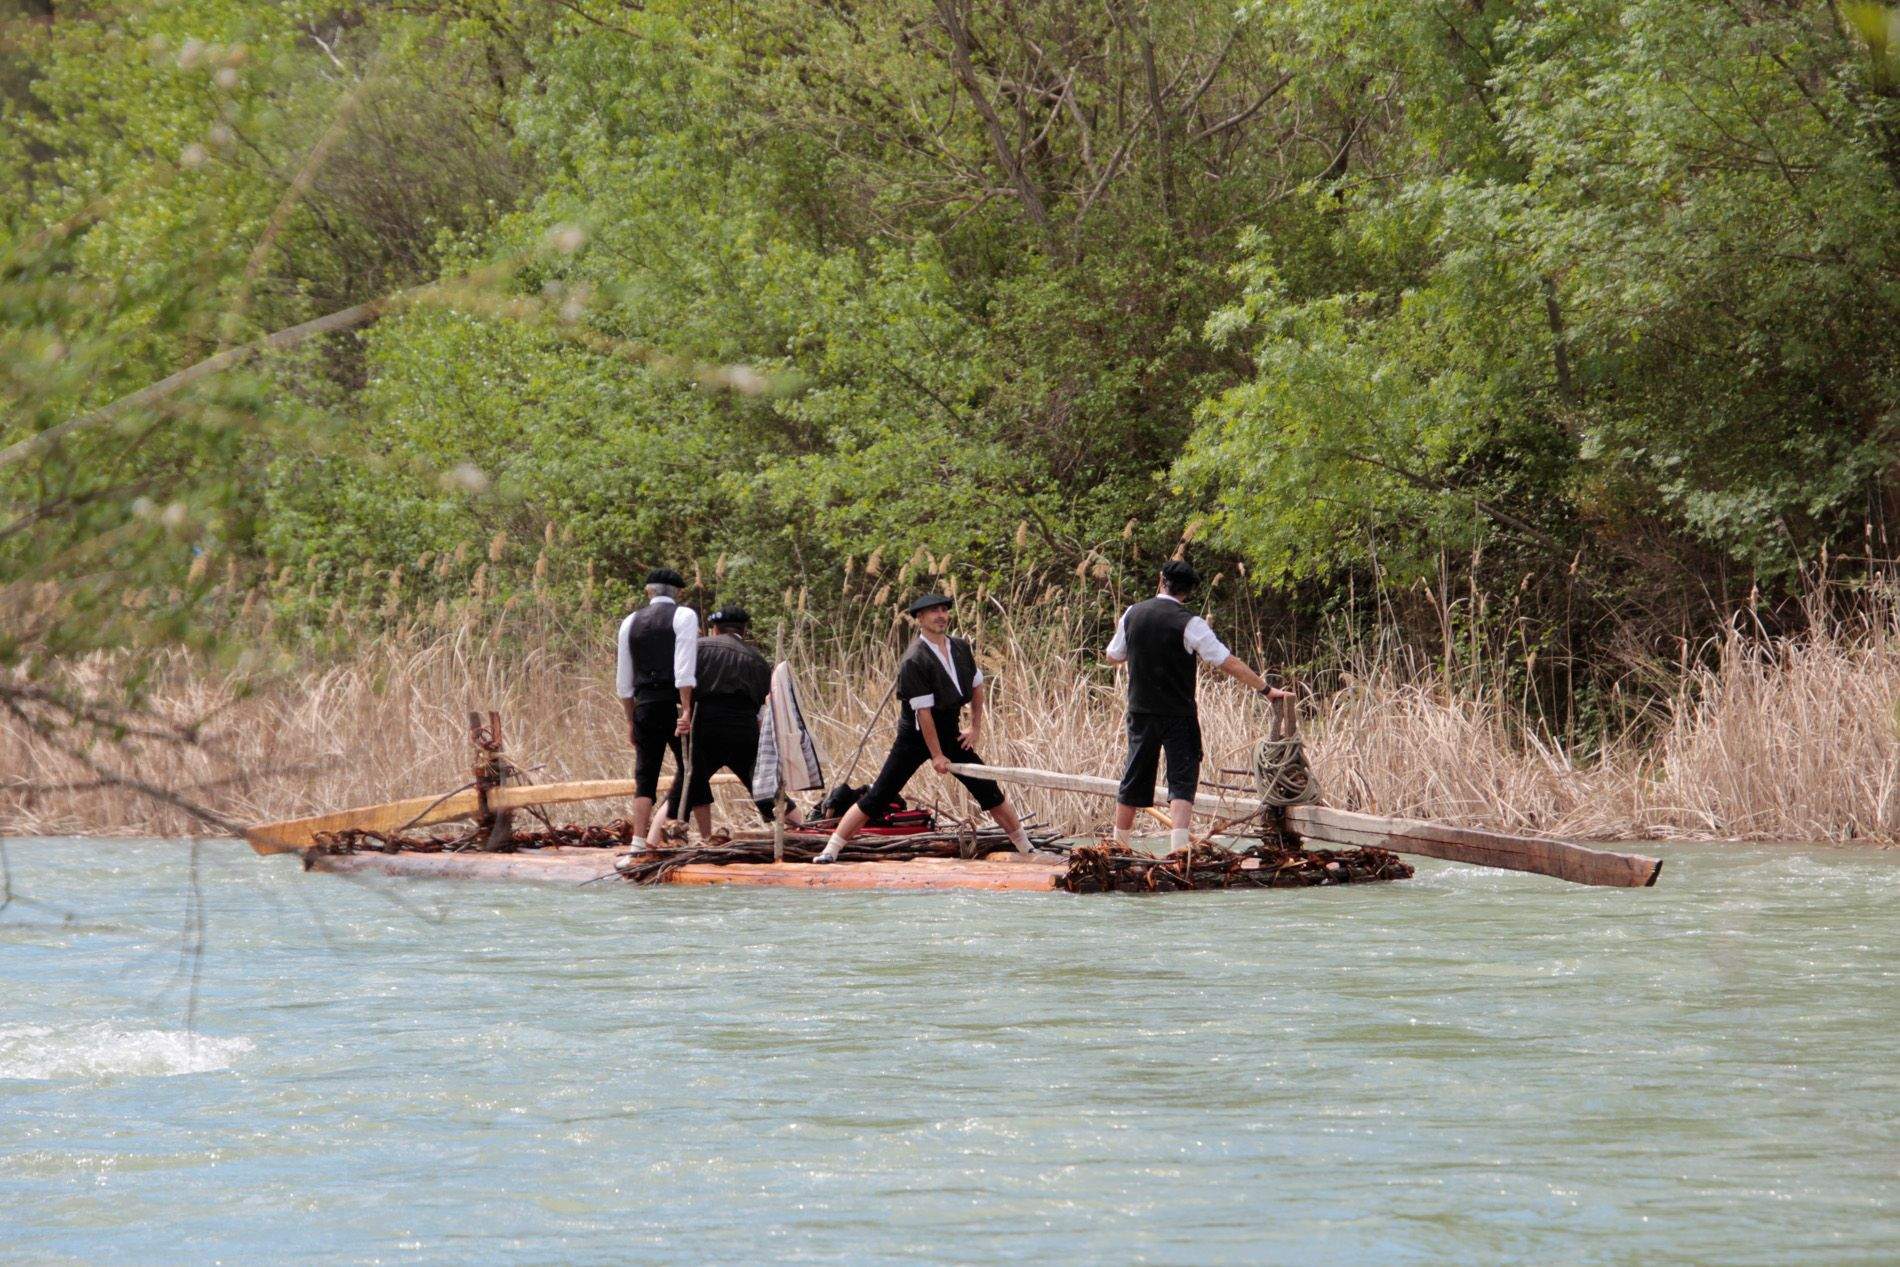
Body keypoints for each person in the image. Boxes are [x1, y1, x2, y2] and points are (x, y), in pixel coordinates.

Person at [813, 593, 1035, 863]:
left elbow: (977, 686)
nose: (940, 615)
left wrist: (975, 727)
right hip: (914, 737)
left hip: (950, 731)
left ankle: (1026, 847)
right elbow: (924, 714)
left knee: (988, 789)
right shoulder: (914, 659)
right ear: (920, 618)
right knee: (879, 795)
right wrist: (937, 755)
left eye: (943, 610)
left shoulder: (961, 647)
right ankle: (831, 849)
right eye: (933, 612)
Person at [1104, 559, 1289, 852]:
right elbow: (1227, 662)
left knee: (1134, 776)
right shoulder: (1190, 622)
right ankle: (1179, 850)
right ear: (1188, 592)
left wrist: (1143, 650)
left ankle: (1117, 848)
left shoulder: (1132, 614)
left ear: (1160, 579)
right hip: (1179, 714)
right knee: (1182, 777)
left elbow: (1113, 656)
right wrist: (1265, 689)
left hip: (1141, 711)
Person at [677, 606, 803, 839]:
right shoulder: (757, 659)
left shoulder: (698, 649)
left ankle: (651, 842)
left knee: (683, 789)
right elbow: (762, 702)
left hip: (705, 729)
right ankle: (805, 828)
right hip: (743, 730)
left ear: (714, 629)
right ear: (744, 630)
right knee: (765, 788)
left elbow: (683, 684)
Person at [615, 567, 698, 842]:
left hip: (644, 705)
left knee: (645, 773)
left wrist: (629, 720)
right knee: (690, 766)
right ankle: (672, 828)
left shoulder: (630, 621)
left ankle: (638, 842)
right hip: (673, 703)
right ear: (678, 592)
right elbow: (683, 669)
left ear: (648, 592)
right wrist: (686, 708)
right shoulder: (684, 615)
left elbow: (623, 680)